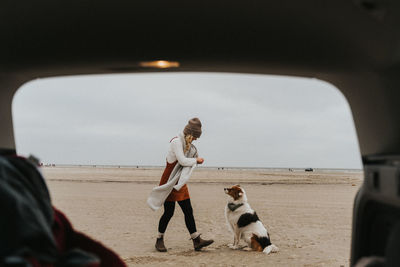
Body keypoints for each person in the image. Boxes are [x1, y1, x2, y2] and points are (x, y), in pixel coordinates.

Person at [155, 118, 214, 252]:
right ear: (190, 134)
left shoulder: (188, 146)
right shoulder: (176, 142)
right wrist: (196, 160)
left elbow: (186, 162)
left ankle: (196, 240)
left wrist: (195, 160)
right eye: (195, 136)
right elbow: (182, 161)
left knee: (188, 210)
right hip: (170, 180)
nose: (196, 140)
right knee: (169, 212)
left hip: (180, 181)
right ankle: (159, 240)